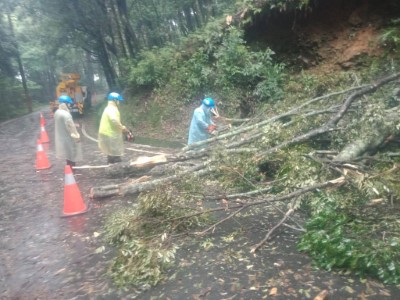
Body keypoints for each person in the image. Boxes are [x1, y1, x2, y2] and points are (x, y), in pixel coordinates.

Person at [98, 92, 128, 164]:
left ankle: (110, 168)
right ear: (115, 100)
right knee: (116, 154)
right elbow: (114, 120)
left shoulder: (108, 108)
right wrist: (122, 128)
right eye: (118, 100)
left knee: (110, 153)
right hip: (110, 134)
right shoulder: (112, 109)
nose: (119, 102)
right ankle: (117, 170)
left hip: (105, 133)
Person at [54, 95, 82, 167]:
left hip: (61, 137)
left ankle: (69, 167)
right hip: (68, 137)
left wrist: (74, 124)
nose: (70, 105)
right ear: (65, 103)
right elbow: (71, 129)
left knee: (67, 154)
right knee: (72, 153)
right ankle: (72, 169)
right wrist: (77, 138)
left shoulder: (57, 112)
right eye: (69, 103)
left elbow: (63, 124)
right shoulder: (66, 114)